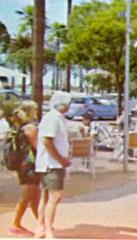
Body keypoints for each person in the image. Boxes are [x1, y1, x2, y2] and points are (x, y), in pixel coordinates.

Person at [35, 91, 72, 239]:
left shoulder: (57, 118)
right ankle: (48, 229)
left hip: (52, 163)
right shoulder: (53, 118)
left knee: (46, 196)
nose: (69, 106)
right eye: (67, 103)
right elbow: (47, 142)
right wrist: (61, 160)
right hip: (51, 164)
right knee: (54, 196)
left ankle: (42, 227)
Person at [9, 101, 41, 237]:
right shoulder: (30, 128)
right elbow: (38, 146)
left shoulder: (19, 127)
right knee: (28, 195)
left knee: (34, 195)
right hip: (29, 165)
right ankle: (15, 224)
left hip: (23, 164)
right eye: (35, 110)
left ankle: (42, 222)